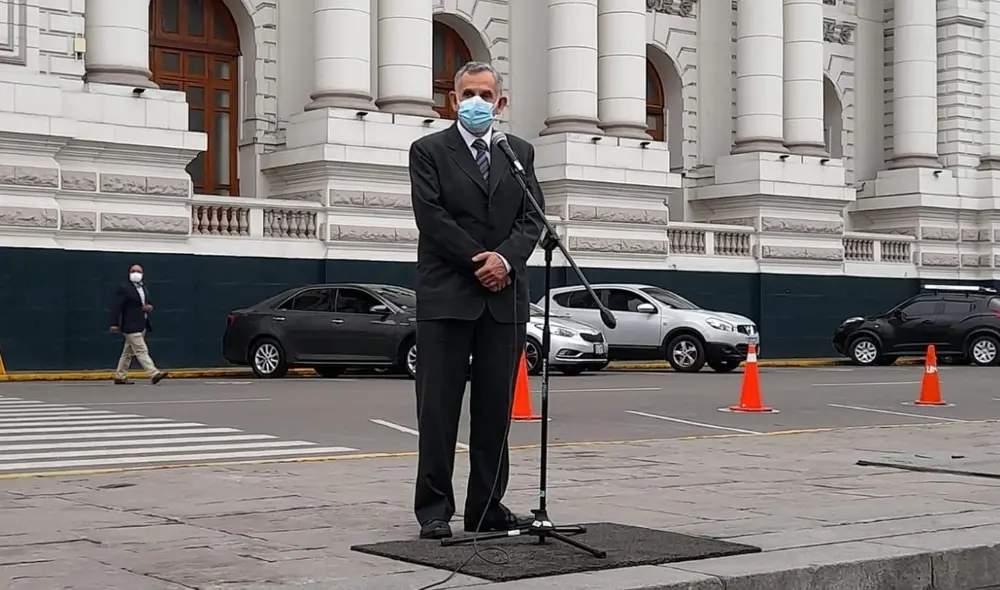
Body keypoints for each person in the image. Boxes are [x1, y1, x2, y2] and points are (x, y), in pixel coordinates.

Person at [409, 61, 545, 540]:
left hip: (504, 300)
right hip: (448, 297)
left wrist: (505, 261)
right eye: (468, 93)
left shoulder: (518, 152)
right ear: (452, 100)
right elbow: (432, 217)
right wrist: (479, 260)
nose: (477, 102)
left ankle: (487, 505)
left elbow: (533, 219)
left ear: (500, 102)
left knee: (494, 412)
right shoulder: (428, 150)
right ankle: (434, 510)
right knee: (438, 410)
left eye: (486, 95)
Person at [109, 264, 169, 385]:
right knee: (142, 350)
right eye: (133, 271)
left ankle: (120, 376)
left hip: (142, 323)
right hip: (130, 325)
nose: (136, 273)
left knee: (128, 352)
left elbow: (144, 303)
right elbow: (117, 307)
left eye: (138, 271)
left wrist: (149, 307)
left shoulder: (143, 288)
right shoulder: (124, 288)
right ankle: (154, 373)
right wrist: (114, 323)